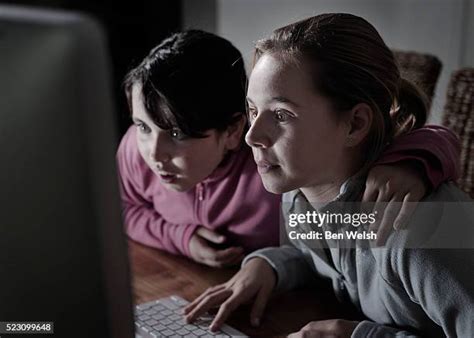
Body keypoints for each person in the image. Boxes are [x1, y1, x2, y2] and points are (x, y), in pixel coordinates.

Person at [183, 15, 474, 336]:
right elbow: (319, 256)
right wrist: (269, 266)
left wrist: (357, 335)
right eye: (254, 110)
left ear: (355, 124)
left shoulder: (417, 231)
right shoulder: (299, 196)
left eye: (281, 114)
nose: (252, 136)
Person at [117, 30, 460, 268]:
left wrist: (414, 161)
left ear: (235, 130)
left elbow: (342, 243)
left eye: (177, 133)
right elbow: (119, 208)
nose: (153, 154)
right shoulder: (136, 149)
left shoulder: (278, 165)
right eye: (143, 126)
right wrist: (182, 238)